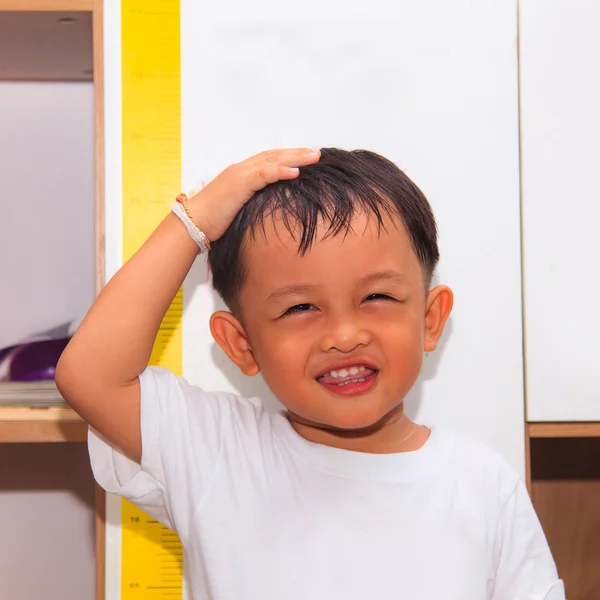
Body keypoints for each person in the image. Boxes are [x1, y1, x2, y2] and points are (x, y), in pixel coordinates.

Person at [56, 148, 565, 599]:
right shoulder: (216, 450)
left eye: (377, 297)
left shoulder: (483, 483)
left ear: (429, 320)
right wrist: (196, 220)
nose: (343, 335)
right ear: (241, 344)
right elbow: (91, 376)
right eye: (300, 308)